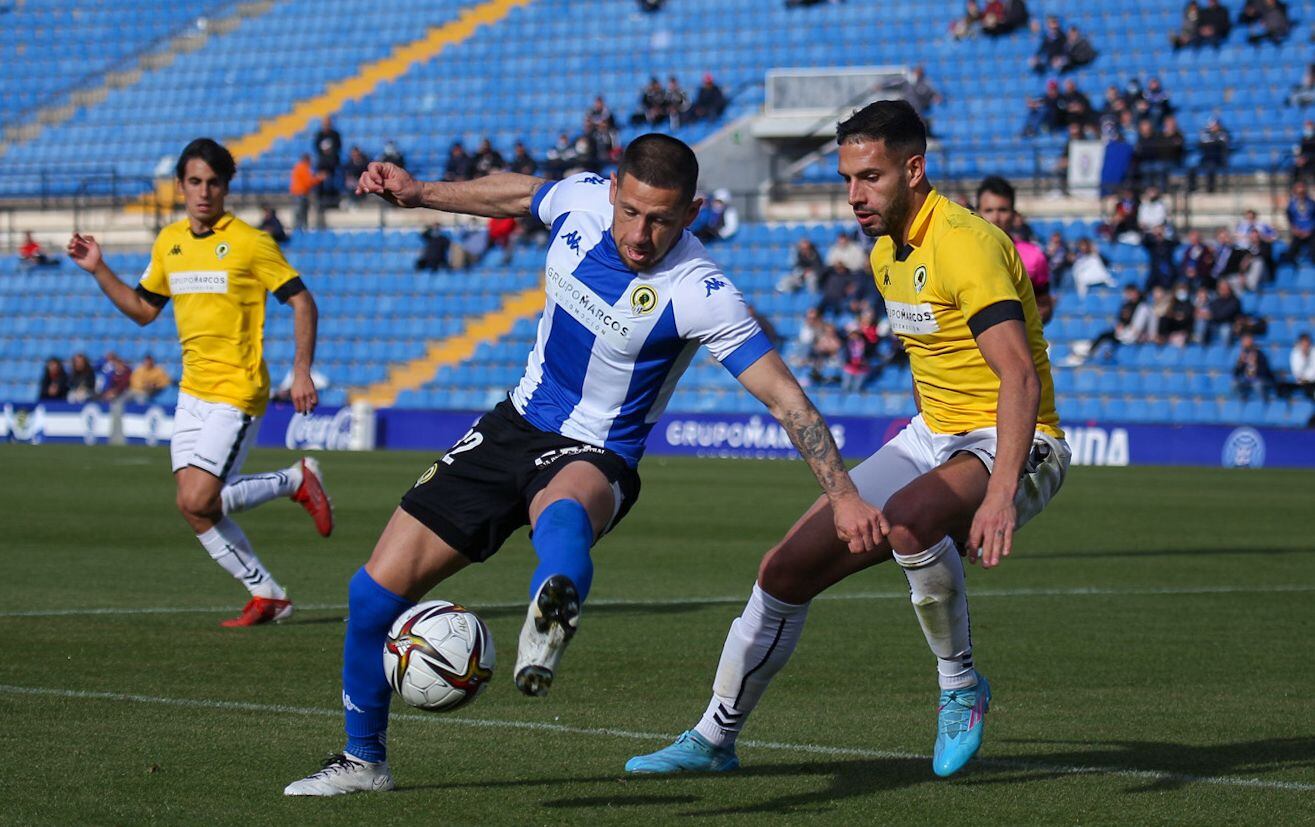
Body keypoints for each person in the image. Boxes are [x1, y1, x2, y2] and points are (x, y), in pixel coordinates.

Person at [283, 133, 886, 797]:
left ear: (691, 214)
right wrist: (419, 191)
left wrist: (844, 496)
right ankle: (364, 760)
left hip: (596, 451)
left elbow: (784, 396)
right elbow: (515, 192)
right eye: (629, 211)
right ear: (611, 193)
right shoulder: (579, 203)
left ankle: (551, 614)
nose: (639, 232)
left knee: (562, 509)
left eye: (660, 219)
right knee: (370, 595)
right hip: (512, 424)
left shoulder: (700, 291)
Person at [626, 100, 1069, 780]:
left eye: (869, 176)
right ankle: (714, 736)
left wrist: (998, 495)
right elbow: (934, 362)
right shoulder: (886, 250)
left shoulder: (966, 243)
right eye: (845, 179)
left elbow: (1016, 375)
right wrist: (918, 448)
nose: (854, 195)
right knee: (784, 568)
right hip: (936, 437)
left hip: (1017, 440)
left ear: (913, 169)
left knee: (910, 523)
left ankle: (960, 689)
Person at [66, 138, 334, 628]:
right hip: (191, 395)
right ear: (180, 186)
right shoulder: (169, 243)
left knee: (198, 498)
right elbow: (144, 310)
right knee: (194, 507)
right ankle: (268, 593)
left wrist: (300, 371)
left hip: (237, 392)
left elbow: (302, 301)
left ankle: (294, 481)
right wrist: (99, 269)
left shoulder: (252, 243)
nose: (204, 192)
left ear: (226, 187)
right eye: (194, 182)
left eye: (213, 182)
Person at [976, 176, 1053, 323]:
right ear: (978, 213)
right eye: (989, 210)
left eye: (1003, 210)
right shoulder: (962, 254)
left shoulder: (1034, 256)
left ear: (1014, 214)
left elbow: (1044, 306)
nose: (996, 217)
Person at [1233, 333, 1276, 400]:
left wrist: (1255, 364)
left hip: (1261, 380)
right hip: (1247, 380)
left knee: (1257, 384)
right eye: (1243, 340)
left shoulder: (1260, 355)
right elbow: (1236, 374)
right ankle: (1242, 403)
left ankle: (1264, 402)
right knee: (1235, 384)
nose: (1245, 342)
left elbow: (1265, 373)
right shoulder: (1242, 356)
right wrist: (1240, 364)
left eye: (1247, 339)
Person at [1283, 181, 1315, 266]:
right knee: (1290, 253)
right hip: (1298, 233)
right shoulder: (1292, 204)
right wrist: (1294, 229)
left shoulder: (1311, 203)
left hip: (1310, 233)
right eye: (1298, 192)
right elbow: (1290, 218)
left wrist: (1310, 230)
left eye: (1302, 192)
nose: (1301, 194)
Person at [289, 154, 323, 232]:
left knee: (298, 213)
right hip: (301, 193)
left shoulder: (298, 167)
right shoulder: (303, 168)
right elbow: (308, 182)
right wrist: (318, 178)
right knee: (301, 213)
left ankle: (298, 230)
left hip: (297, 193)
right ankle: (300, 231)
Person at [1288, 332, 1315, 399]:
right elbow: (1296, 371)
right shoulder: (1295, 353)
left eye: (1307, 342)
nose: (1306, 345)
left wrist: (1308, 378)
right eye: (1303, 343)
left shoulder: (1313, 352)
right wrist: (1304, 357)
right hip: (1300, 382)